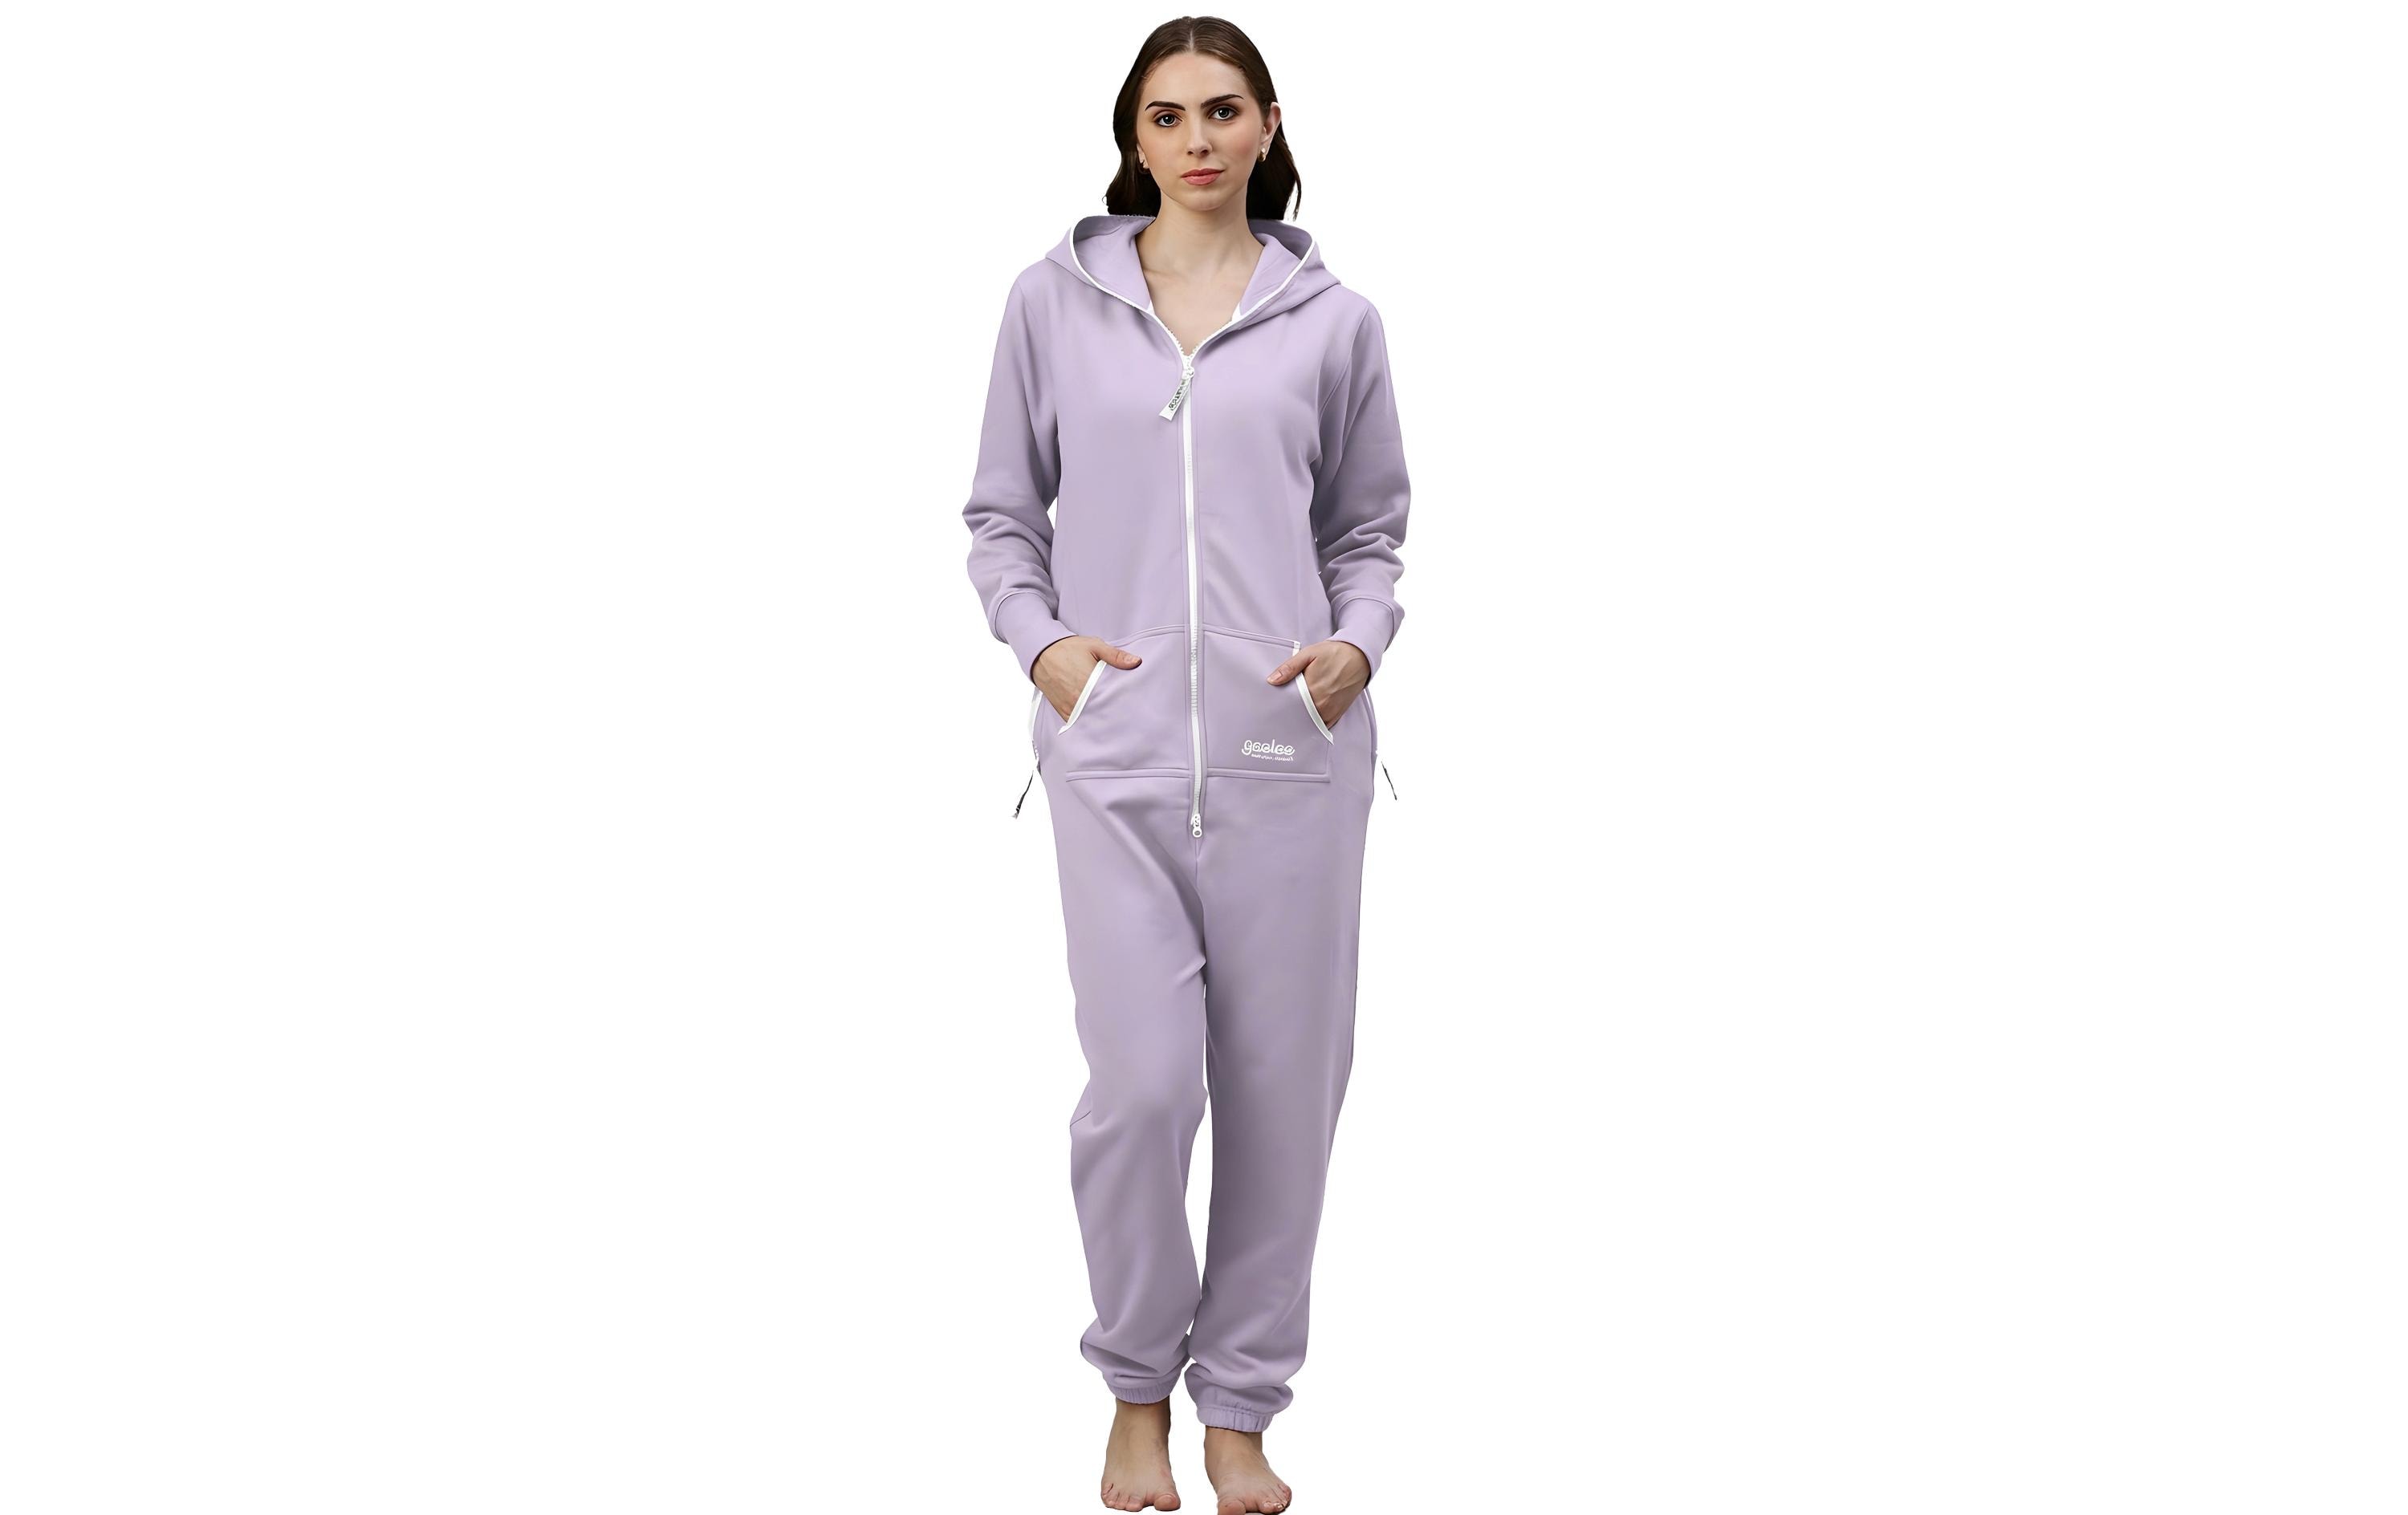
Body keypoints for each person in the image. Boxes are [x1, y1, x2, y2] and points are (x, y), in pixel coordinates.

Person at [961, 18, 1409, 1513]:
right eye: (1167, 116)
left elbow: (1369, 529)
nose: (1197, 139)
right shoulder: (1052, 304)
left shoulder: (1335, 322)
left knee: (1286, 1099)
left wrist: (1356, 648)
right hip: (1116, 758)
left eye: (1223, 111)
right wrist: (1048, 654)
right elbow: (1000, 517)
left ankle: (1240, 1418)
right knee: (1143, 1093)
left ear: (1268, 125)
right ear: (1133, 137)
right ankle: (1136, 1394)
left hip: (1294, 758)